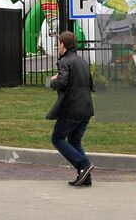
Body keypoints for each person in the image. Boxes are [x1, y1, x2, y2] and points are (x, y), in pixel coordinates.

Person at [47, 30, 94, 187]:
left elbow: (61, 82)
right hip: (86, 108)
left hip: (71, 108)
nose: (57, 47)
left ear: (62, 45)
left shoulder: (65, 61)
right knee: (74, 140)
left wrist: (53, 80)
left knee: (57, 138)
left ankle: (83, 164)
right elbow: (91, 84)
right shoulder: (82, 61)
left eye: (58, 44)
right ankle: (85, 177)